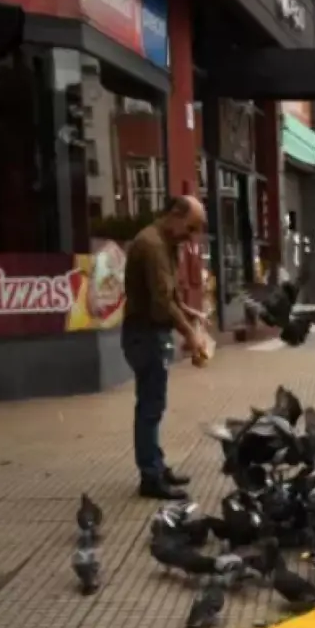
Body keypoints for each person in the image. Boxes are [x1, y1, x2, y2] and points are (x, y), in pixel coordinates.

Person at [122, 196, 209, 500]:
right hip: (145, 335)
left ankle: (156, 466)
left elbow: (167, 295)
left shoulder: (167, 243)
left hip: (150, 332)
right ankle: (150, 476)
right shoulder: (153, 245)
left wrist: (188, 311)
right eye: (191, 227)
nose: (192, 236)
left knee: (153, 403)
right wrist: (191, 334)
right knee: (150, 406)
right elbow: (160, 302)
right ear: (175, 215)